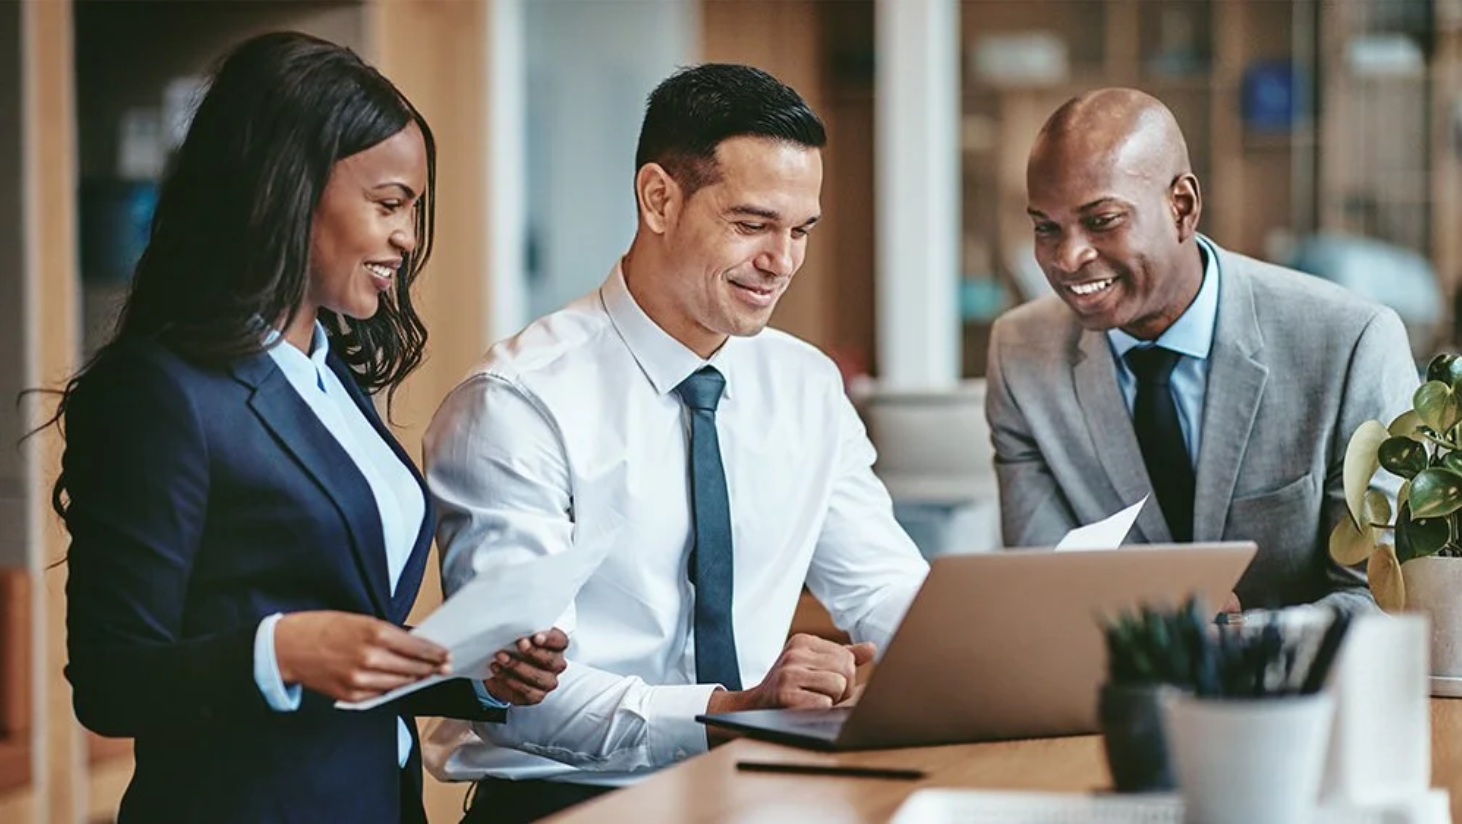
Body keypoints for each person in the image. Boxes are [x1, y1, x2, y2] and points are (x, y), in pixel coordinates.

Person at [55, 32, 566, 824]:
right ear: (288, 189)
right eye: (388, 203)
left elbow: (345, 642)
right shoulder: (162, 393)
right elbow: (112, 679)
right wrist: (282, 649)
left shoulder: (330, 378)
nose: (407, 236)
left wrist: (470, 672)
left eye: (414, 209)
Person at [421, 63, 930, 822]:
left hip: (760, 794)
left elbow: (883, 587)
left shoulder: (806, 385)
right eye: (752, 224)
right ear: (659, 198)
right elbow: (524, 697)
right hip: (566, 805)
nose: (781, 263)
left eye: (800, 232)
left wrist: (983, 662)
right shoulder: (519, 402)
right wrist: (735, 707)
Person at [986, 87, 1419, 613]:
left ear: (1182, 207)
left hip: (1301, 690)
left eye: (1102, 221)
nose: (1068, 256)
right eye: (1046, 228)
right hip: (1111, 690)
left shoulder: (1351, 343)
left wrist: (1235, 643)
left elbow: (1378, 599)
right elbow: (1045, 588)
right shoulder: (1020, 354)